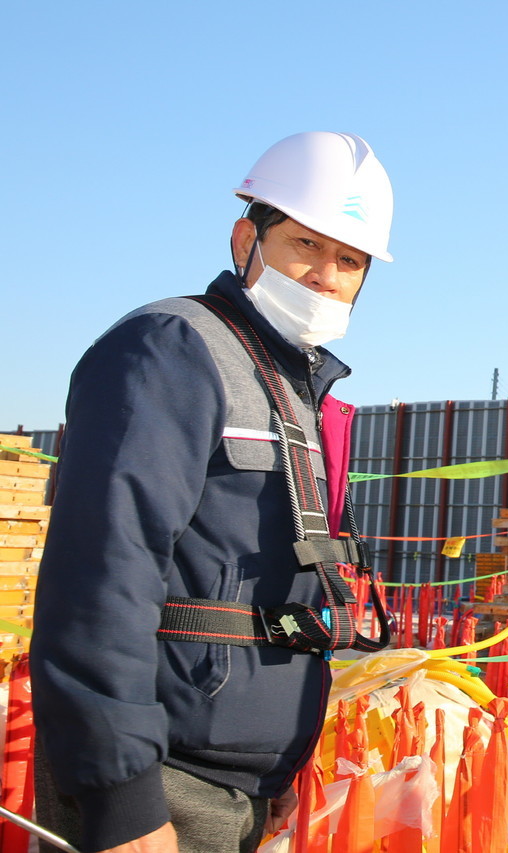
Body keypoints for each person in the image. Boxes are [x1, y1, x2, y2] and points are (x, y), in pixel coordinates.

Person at [30, 131, 394, 853]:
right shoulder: (170, 348)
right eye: (305, 244)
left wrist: (278, 766)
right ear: (245, 239)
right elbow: (103, 574)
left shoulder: (288, 383)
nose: (326, 275)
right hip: (162, 782)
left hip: (238, 786)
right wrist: (121, 801)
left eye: (350, 259)